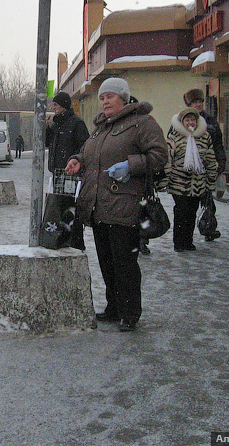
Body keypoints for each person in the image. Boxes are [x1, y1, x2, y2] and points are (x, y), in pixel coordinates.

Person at [65, 78, 167, 332]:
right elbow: (92, 156)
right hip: (98, 206)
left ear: (124, 98)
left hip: (125, 206)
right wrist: (79, 160)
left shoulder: (141, 122)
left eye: (110, 96)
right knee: (107, 261)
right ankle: (114, 308)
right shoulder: (101, 127)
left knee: (124, 262)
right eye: (102, 97)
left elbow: (159, 155)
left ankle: (130, 312)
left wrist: (130, 166)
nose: (105, 101)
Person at [161, 107, 219, 252]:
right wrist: (164, 180)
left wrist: (211, 179)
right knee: (181, 212)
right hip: (179, 182)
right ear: (182, 122)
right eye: (187, 120)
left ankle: (188, 241)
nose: (190, 122)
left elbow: (211, 159)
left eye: (193, 120)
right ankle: (179, 243)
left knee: (191, 212)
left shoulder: (204, 137)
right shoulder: (175, 136)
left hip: (198, 183)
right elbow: (168, 159)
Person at [46, 91, 90, 250]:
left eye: (56, 105)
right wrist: (46, 130)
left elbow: (84, 147)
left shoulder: (76, 123)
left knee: (72, 207)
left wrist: (75, 160)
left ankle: (76, 242)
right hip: (57, 173)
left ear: (64, 105)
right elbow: (47, 144)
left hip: (71, 174)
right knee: (59, 207)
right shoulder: (56, 124)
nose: (54, 107)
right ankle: (62, 238)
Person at [183, 88, 226, 241]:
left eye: (200, 101)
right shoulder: (182, 121)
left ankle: (208, 228)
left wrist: (221, 163)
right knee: (187, 205)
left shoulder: (210, 120)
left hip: (207, 167)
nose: (198, 104)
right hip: (188, 169)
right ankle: (185, 236)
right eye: (195, 102)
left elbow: (218, 144)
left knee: (207, 201)